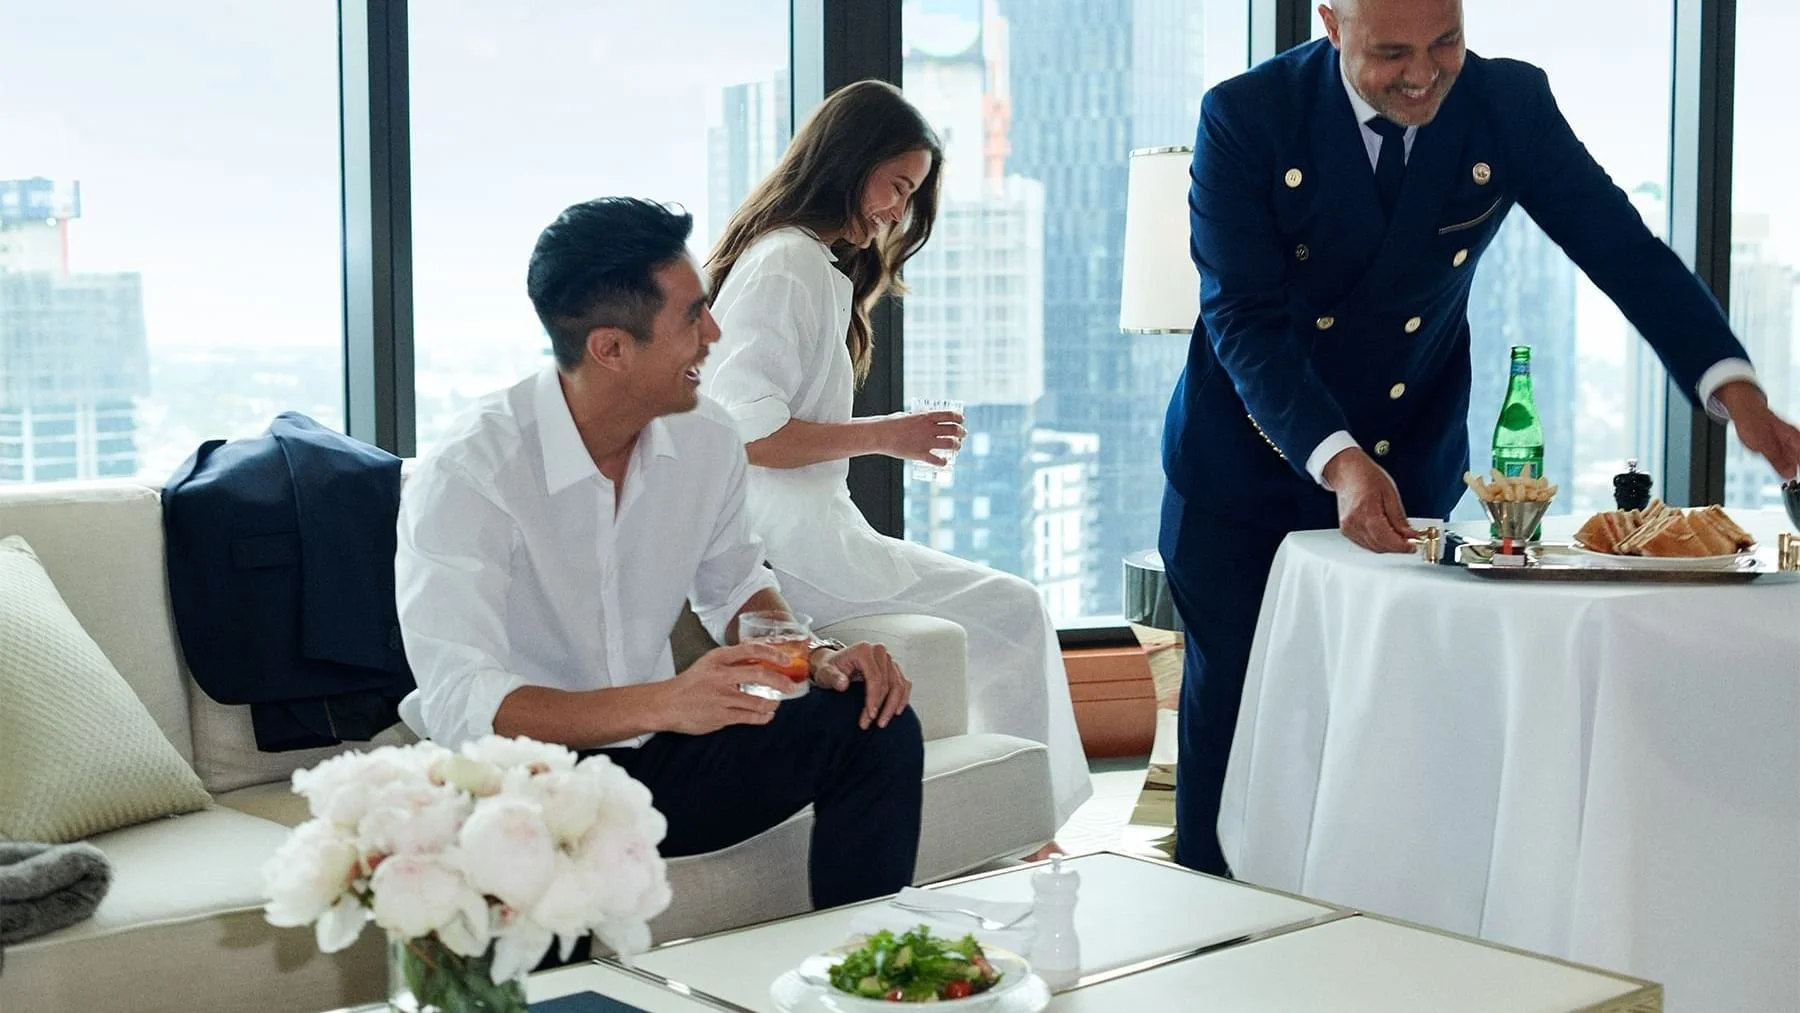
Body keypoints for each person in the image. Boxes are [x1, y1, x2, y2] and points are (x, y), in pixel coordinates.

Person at [1161, 0, 1800, 877]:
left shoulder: (1508, 104)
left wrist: (1731, 382)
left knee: (1387, 732)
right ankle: (1213, 946)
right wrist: (1338, 458)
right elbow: (1244, 319)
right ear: (1329, 22)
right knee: (1237, 728)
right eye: (1392, 53)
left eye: (1446, 42)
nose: (1423, 73)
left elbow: (1623, 250)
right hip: (1245, 468)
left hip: (1406, 465)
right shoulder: (1246, 115)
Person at [394, 197, 925, 909]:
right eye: (691, 317)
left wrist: (817, 656)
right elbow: (463, 700)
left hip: (660, 761)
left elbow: (735, 585)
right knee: (542, 874)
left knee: (873, 718)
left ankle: (858, 977)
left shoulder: (706, 437)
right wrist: (668, 701)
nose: (715, 332)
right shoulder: (471, 470)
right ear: (610, 347)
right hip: (524, 782)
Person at [701, 79, 1094, 835]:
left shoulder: (811, 263)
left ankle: (1022, 822)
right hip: (788, 541)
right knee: (1014, 609)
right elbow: (744, 433)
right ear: (850, 163)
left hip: (809, 531)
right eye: (896, 186)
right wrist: (890, 435)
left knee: (1007, 607)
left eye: (910, 194)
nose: (896, 212)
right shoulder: (785, 262)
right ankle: (1031, 826)